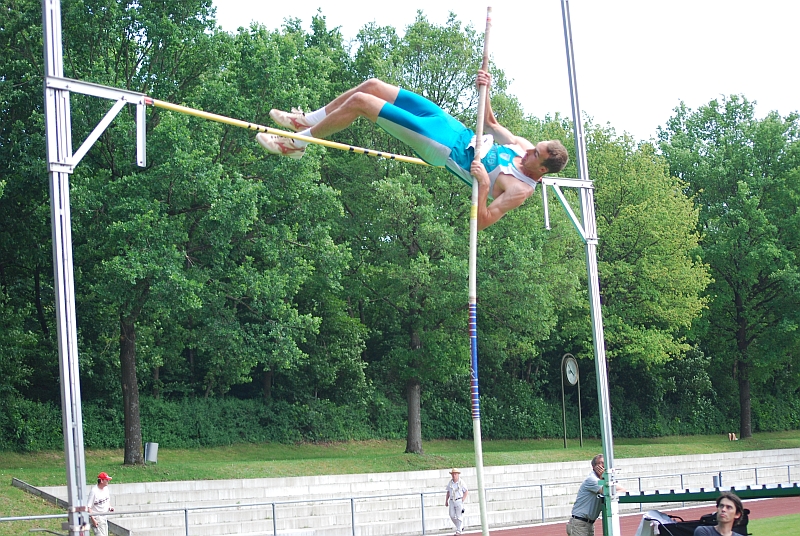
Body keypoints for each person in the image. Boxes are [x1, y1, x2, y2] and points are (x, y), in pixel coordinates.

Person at [258, 70, 569, 230]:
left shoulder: (520, 191)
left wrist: (485, 183)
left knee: (362, 104)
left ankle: (298, 145)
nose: (527, 151)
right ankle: (305, 122)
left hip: (443, 148)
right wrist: (484, 88)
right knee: (373, 86)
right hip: (452, 127)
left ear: (541, 169)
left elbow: (484, 221)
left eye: (534, 156)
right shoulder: (526, 147)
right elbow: (489, 122)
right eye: (534, 148)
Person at [566, 454, 626, 536]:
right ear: (594, 467)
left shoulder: (602, 479)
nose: (603, 466)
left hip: (589, 524)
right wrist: (603, 478)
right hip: (579, 523)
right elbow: (606, 491)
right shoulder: (592, 480)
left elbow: (622, 490)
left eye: (605, 463)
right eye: (600, 463)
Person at [86, 471, 115, 536]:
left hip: (104, 516)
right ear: (101, 481)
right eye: (106, 480)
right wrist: (93, 520)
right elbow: (89, 507)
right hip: (97, 517)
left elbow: (107, 500)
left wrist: (110, 507)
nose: (108, 481)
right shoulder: (94, 491)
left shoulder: (106, 489)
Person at [445, 468, 469, 535]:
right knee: (452, 515)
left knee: (459, 515)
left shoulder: (461, 482)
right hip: (452, 500)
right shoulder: (450, 483)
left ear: (458, 474)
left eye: (455, 474)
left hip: (459, 500)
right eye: (453, 474)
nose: (454, 475)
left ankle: (459, 531)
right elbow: (448, 492)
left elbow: (466, 491)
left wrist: (462, 499)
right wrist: (446, 500)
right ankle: (460, 526)